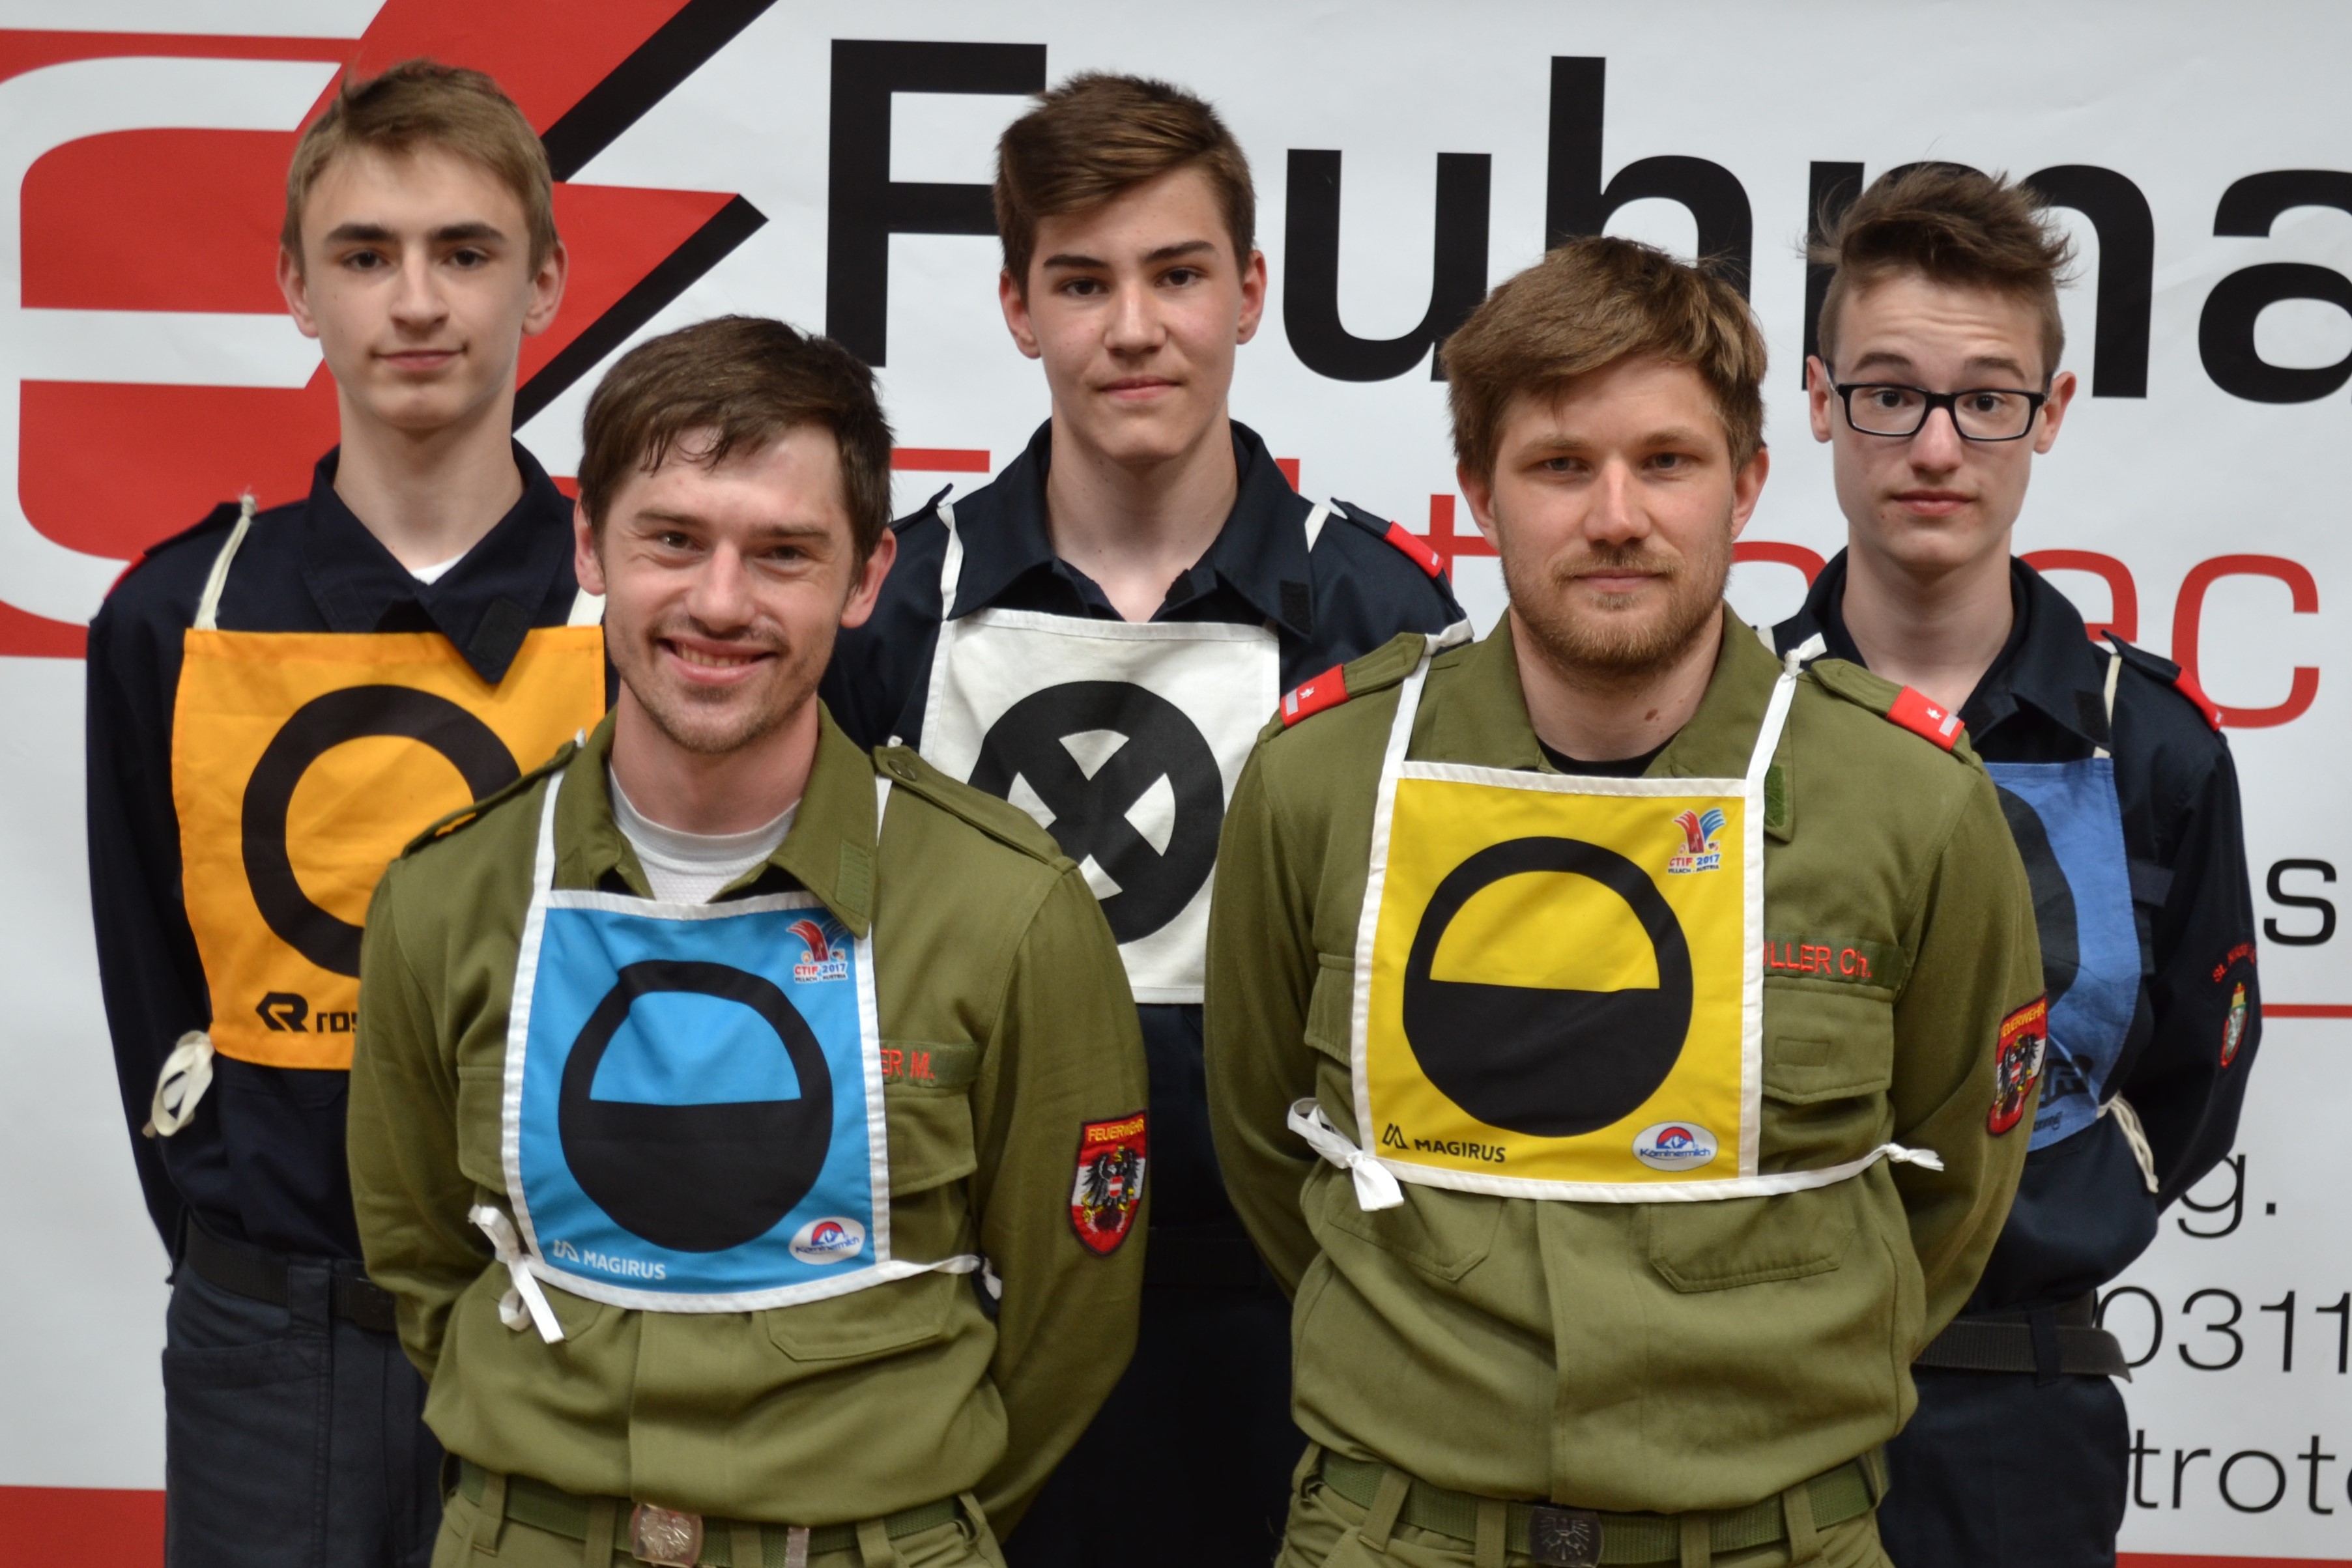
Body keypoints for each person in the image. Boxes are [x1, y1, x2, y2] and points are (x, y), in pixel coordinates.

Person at [1206, 236, 2048, 1568]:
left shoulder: (1910, 800)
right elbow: (1269, 1144)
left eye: (1665, 461)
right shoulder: (1320, 778)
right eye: (1558, 465)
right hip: (1395, 1534)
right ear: (1476, 490)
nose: (1614, 516)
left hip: (1776, 1541)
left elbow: (1952, 1188)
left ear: (1745, 484)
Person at [348, 315, 1149, 1567]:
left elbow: (1069, 1320)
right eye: (672, 539)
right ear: (588, 543)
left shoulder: (1009, 911)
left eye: (783, 553)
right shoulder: (443, 900)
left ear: (865, 578)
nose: (719, 604)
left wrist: (897, 1525)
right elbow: (421, 1265)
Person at [822, 72, 1463, 1565]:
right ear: (1015, 307)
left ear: (1249, 294)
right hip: (950, 1305)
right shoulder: (893, 602)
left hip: (1293, 1319)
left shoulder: (1379, 611)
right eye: (1081, 281)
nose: (1132, 327)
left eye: (1176, 275)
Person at [85, 62, 600, 1565]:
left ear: (544, 282)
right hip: (270, 1331)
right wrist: (247, 1246)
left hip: (580, 1322)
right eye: (366, 254)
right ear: (296, 289)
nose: (416, 301)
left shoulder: (638, 607)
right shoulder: (176, 615)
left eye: (465, 251)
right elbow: (150, 986)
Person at [1774, 165, 2261, 1567]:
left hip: (2020, 1424)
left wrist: (2048, 1207)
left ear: (2048, 413)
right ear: (1818, 402)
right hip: (1751, 1405)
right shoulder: (1725, 728)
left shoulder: (2152, 745)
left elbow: (2194, 1074)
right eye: (1888, 393)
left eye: (1985, 399)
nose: (1936, 445)